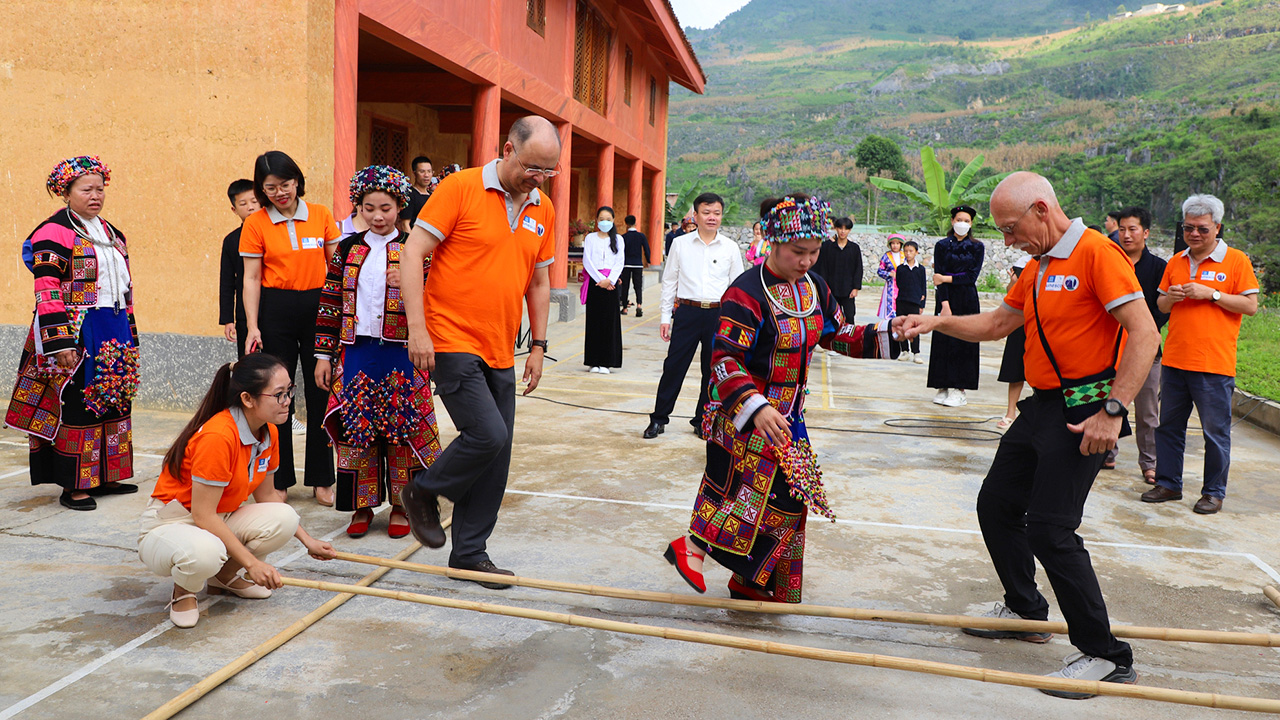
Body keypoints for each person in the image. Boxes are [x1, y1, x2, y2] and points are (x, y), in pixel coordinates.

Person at [895, 172, 1159, 699]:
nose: (1008, 239)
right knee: (996, 505)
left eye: (1012, 228)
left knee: (1051, 530)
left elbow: (1145, 332)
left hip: (1086, 409)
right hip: (1040, 406)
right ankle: (1025, 609)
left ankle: (1107, 656)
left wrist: (1113, 410)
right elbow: (997, 323)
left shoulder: (1096, 254)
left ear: (1042, 209)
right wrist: (936, 323)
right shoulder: (1039, 266)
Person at [663, 194, 891, 603]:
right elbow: (724, 358)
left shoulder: (814, 288)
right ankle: (693, 548)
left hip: (789, 416)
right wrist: (757, 406)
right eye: (798, 252)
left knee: (788, 500)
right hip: (744, 414)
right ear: (772, 242)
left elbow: (837, 334)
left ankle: (750, 580)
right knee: (752, 494)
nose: (807, 261)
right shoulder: (746, 292)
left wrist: (890, 333)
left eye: (814, 252)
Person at [398, 116, 557, 587]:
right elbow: (412, 254)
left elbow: (541, 280)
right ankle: (422, 491)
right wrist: (417, 330)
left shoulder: (541, 208)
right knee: (487, 434)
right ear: (508, 148)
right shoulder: (461, 188)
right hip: (450, 337)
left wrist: (539, 345)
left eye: (550, 172)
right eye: (533, 167)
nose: (539, 179)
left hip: (501, 344)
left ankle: (469, 553)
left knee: (497, 453)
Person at [137, 354, 337, 628]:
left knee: (285, 517)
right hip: (173, 521)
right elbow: (203, 515)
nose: (288, 400)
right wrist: (253, 564)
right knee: (206, 551)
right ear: (247, 399)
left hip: (218, 515)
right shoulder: (218, 437)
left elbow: (267, 496)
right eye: (278, 394)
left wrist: (308, 541)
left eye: (289, 390)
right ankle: (184, 590)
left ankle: (224, 577)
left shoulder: (269, 432)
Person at [315, 166, 443, 538]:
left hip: (401, 353)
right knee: (358, 427)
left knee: (401, 429)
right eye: (368, 207)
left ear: (400, 206)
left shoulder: (414, 250)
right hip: (356, 353)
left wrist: (412, 283)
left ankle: (404, 504)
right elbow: (329, 303)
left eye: (385, 207)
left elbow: (436, 299)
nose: (377, 215)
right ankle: (361, 504)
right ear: (359, 207)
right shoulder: (346, 249)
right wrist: (324, 356)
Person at [7, 156, 140, 511]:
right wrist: (60, 341)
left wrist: (130, 333)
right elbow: (47, 288)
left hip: (114, 328)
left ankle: (108, 474)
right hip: (79, 329)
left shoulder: (112, 233)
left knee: (114, 398)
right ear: (66, 192)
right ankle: (74, 484)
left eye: (100, 189)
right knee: (78, 403)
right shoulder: (54, 232)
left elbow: (123, 288)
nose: (95, 196)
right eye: (86, 189)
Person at [1141, 194, 1259, 515]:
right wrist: (1173, 297)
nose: (1194, 234)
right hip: (1176, 359)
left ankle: (1213, 492)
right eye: (1188, 228)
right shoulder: (1177, 262)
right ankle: (1168, 483)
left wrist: (1213, 294)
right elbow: (1161, 304)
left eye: (1202, 229)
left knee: (1215, 433)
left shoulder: (1236, 261)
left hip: (1213, 362)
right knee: (1169, 427)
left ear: (1217, 227)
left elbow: (1250, 305)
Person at [239, 151, 340, 506]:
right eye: (270, 188)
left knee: (320, 392)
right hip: (275, 310)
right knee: (277, 395)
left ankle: (322, 479)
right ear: (261, 190)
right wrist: (252, 326)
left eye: (285, 184)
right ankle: (278, 480)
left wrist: (341, 317)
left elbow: (336, 270)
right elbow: (251, 278)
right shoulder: (255, 224)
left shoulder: (322, 215)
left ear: (297, 180)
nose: (279, 193)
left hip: (317, 309)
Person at [643, 193, 744, 440]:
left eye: (717, 213)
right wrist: (665, 317)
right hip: (687, 312)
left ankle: (702, 420)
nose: (712, 217)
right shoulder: (681, 244)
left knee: (712, 372)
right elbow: (669, 282)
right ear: (695, 215)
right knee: (674, 367)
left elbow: (738, 289)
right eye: (707, 212)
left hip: (718, 316)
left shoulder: (730, 248)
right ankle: (659, 418)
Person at [1102, 207, 1168, 478]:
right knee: (1107, 403)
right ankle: (1106, 453)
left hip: (1145, 352)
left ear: (1146, 232)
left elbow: (1161, 311)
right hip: (1109, 348)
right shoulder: (1108, 261)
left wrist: (1138, 330)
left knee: (1148, 411)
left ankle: (1150, 463)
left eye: (1133, 229)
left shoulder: (1158, 268)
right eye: (1122, 229)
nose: (1126, 235)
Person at [928, 205, 985, 408]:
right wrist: (944, 304)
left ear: (971, 224)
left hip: (967, 298)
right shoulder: (942, 245)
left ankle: (959, 388)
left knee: (963, 340)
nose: (963, 224)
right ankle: (943, 384)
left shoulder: (977, 247)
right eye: (959, 220)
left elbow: (971, 277)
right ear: (952, 221)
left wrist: (945, 277)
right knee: (943, 341)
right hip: (946, 298)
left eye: (967, 221)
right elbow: (937, 279)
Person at [219, 179, 262, 358]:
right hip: (245, 313)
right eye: (243, 204)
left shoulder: (273, 233)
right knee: (248, 360)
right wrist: (228, 319)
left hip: (273, 308)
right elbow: (227, 282)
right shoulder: (231, 240)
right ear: (234, 210)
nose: (250, 207)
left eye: (254, 201)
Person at [582, 206, 624, 373]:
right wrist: (600, 280)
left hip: (611, 285)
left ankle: (606, 362)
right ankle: (594, 361)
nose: (605, 222)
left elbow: (620, 261)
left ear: (613, 220)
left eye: (608, 219)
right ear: (597, 221)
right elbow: (587, 261)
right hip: (595, 284)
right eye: (601, 219)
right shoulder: (591, 238)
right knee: (594, 322)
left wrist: (610, 280)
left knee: (609, 322)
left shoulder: (618, 239)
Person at [996, 254, 1030, 429]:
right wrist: (1015, 281)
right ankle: (1011, 412)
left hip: (1042, 322)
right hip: (1019, 322)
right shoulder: (1023, 262)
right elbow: (1011, 292)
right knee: (1016, 368)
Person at [814, 216, 862, 321]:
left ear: (849, 230)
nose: (843, 231)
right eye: (840, 228)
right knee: (831, 315)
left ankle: (849, 336)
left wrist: (855, 288)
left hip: (848, 289)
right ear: (836, 228)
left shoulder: (854, 248)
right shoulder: (827, 247)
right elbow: (823, 267)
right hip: (831, 288)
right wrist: (824, 287)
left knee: (849, 316)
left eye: (846, 229)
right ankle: (833, 337)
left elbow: (858, 268)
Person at [894, 240, 926, 363]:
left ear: (916, 252)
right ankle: (904, 351)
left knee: (914, 328)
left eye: (911, 251)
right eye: (906, 251)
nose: (908, 254)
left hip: (915, 302)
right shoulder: (901, 269)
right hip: (902, 301)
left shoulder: (920, 269)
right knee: (901, 326)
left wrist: (921, 304)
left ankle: (916, 352)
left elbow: (923, 288)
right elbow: (899, 283)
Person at [618, 214, 651, 316]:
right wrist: (648, 260)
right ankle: (639, 306)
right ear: (635, 223)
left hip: (626, 265)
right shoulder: (641, 236)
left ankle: (624, 308)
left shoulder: (623, 237)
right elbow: (646, 249)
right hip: (638, 265)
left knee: (625, 286)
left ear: (626, 224)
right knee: (638, 286)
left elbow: (619, 252)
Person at [399, 155, 435, 232]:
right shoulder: (409, 195)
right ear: (414, 173)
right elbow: (405, 224)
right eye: (422, 171)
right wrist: (412, 243)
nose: (426, 175)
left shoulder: (433, 196)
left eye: (429, 171)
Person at [875, 233, 907, 321]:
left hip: (904, 285)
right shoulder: (886, 257)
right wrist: (889, 274)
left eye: (897, 243)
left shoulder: (905, 256)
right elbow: (880, 270)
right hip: (890, 285)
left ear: (901, 244)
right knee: (890, 306)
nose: (895, 245)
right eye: (893, 243)